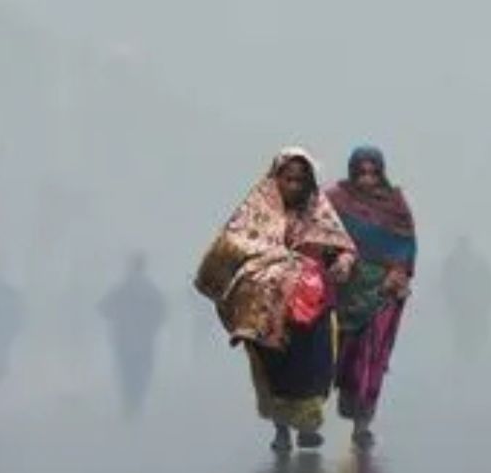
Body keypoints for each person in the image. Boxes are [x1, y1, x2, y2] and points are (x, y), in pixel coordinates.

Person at [195, 147, 357, 452]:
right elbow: (231, 243)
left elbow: (343, 246)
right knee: (273, 367)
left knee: (315, 364)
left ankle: (307, 424)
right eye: (287, 178)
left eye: (300, 180)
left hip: (314, 303)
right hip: (266, 306)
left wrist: (342, 264)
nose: (293, 185)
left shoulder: (319, 212)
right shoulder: (255, 211)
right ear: (275, 178)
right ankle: (281, 428)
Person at [325, 146, 417, 450]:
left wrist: (398, 273)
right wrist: (339, 262)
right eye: (361, 172)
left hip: (384, 291)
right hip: (347, 288)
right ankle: (351, 403)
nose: (366, 179)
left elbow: (406, 243)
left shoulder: (395, 204)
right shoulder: (336, 200)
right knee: (348, 355)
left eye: (373, 172)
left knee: (373, 357)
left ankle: (363, 424)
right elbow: (324, 238)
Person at [99, 251, 167, 419]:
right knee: (142, 372)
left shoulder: (121, 288)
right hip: (144, 339)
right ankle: (136, 402)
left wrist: (117, 318)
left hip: (123, 338)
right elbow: (162, 312)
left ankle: (128, 403)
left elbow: (103, 307)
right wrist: (152, 326)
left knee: (125, 371)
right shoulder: (150, 290)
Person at [440, 235, 491, 362]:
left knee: (471, 332)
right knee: (465, 332)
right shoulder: (454, 262)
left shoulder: (476, 262)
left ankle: (470, 358)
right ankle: (466, 359)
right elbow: (446, 283)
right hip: (463, 305)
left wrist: (486, 302)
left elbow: (488, 283)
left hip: (473, 305)